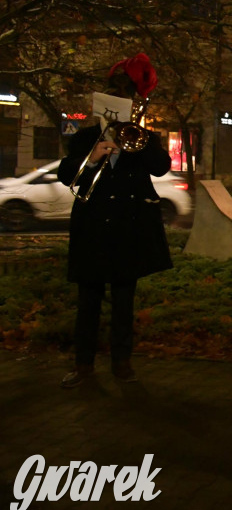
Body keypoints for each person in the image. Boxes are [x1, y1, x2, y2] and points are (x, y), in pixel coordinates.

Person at [57, 53, 173, 388]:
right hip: (93, 230)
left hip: (127, 230)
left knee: (124, 303)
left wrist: (136, 137)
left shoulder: (142, 139)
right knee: (88, 304)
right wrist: (91, 158)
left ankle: (122, 362)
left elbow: (161, 166)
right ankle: (83, 366)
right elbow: (66, 175)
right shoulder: (84, 138)